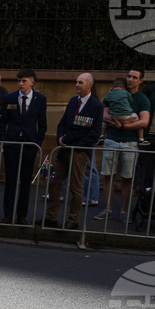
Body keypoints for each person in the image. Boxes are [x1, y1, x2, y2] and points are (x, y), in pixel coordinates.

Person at [43, 73, 103, 229]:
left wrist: (77, 145)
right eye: (76, 82)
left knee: (76, 187)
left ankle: (73, 221)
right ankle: (51, 218)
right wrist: (60, 139)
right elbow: (62, 123)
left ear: (89, 84)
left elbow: (94, 133)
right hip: (63, 151)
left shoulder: (96, 106)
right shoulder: (72, 101)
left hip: (79, 153)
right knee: (54, 181)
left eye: (80, 82)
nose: (77, 84)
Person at [96, 68, 150, 223]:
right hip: (111, 140)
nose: (130, 79)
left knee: (128, 178)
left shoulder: (142, 99)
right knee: (108, 177)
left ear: (140, 81)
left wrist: (122, 126)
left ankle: (124, 211)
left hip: (130, 143)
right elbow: (105, 115)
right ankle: (108, 209)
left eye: (134, 77)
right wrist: (120, 123)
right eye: (129, 76)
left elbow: (144, 121)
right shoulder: (114, 92)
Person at [0, 68, 47, 225]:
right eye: (19, 81)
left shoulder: (40, 99)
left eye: (24, 81)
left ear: (32, 82)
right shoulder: (10, 98)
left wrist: (37, 143)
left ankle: (22, 215)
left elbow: (42, 123)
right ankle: (8, 214)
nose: (20, 84)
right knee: (11, 180)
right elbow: (2, 122)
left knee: (26, 181)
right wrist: (3, 140)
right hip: (12, 144)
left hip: (29, 145)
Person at [103, 78, 145, 145]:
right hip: (126, 115)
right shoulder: (126, 92)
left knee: (104, 123)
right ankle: (141, 138)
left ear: (113, 87)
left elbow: (104, 101)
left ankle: (102, 135)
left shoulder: (109, 94)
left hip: (114, 116)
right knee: (137, 120)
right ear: (124, 88)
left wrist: (109, 93)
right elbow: (130, 100)